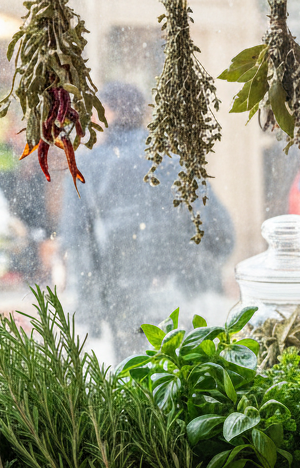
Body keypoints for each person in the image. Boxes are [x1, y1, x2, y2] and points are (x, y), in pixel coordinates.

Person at [58, 82, 235, 361]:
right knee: (186, 376)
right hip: (183, 299)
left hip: (124, 304)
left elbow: (78, 244)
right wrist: (198, 275)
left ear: (109, 113)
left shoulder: (86, 169)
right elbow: (221, 233)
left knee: (137, 379)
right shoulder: (176, 159)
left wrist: (91, 310)